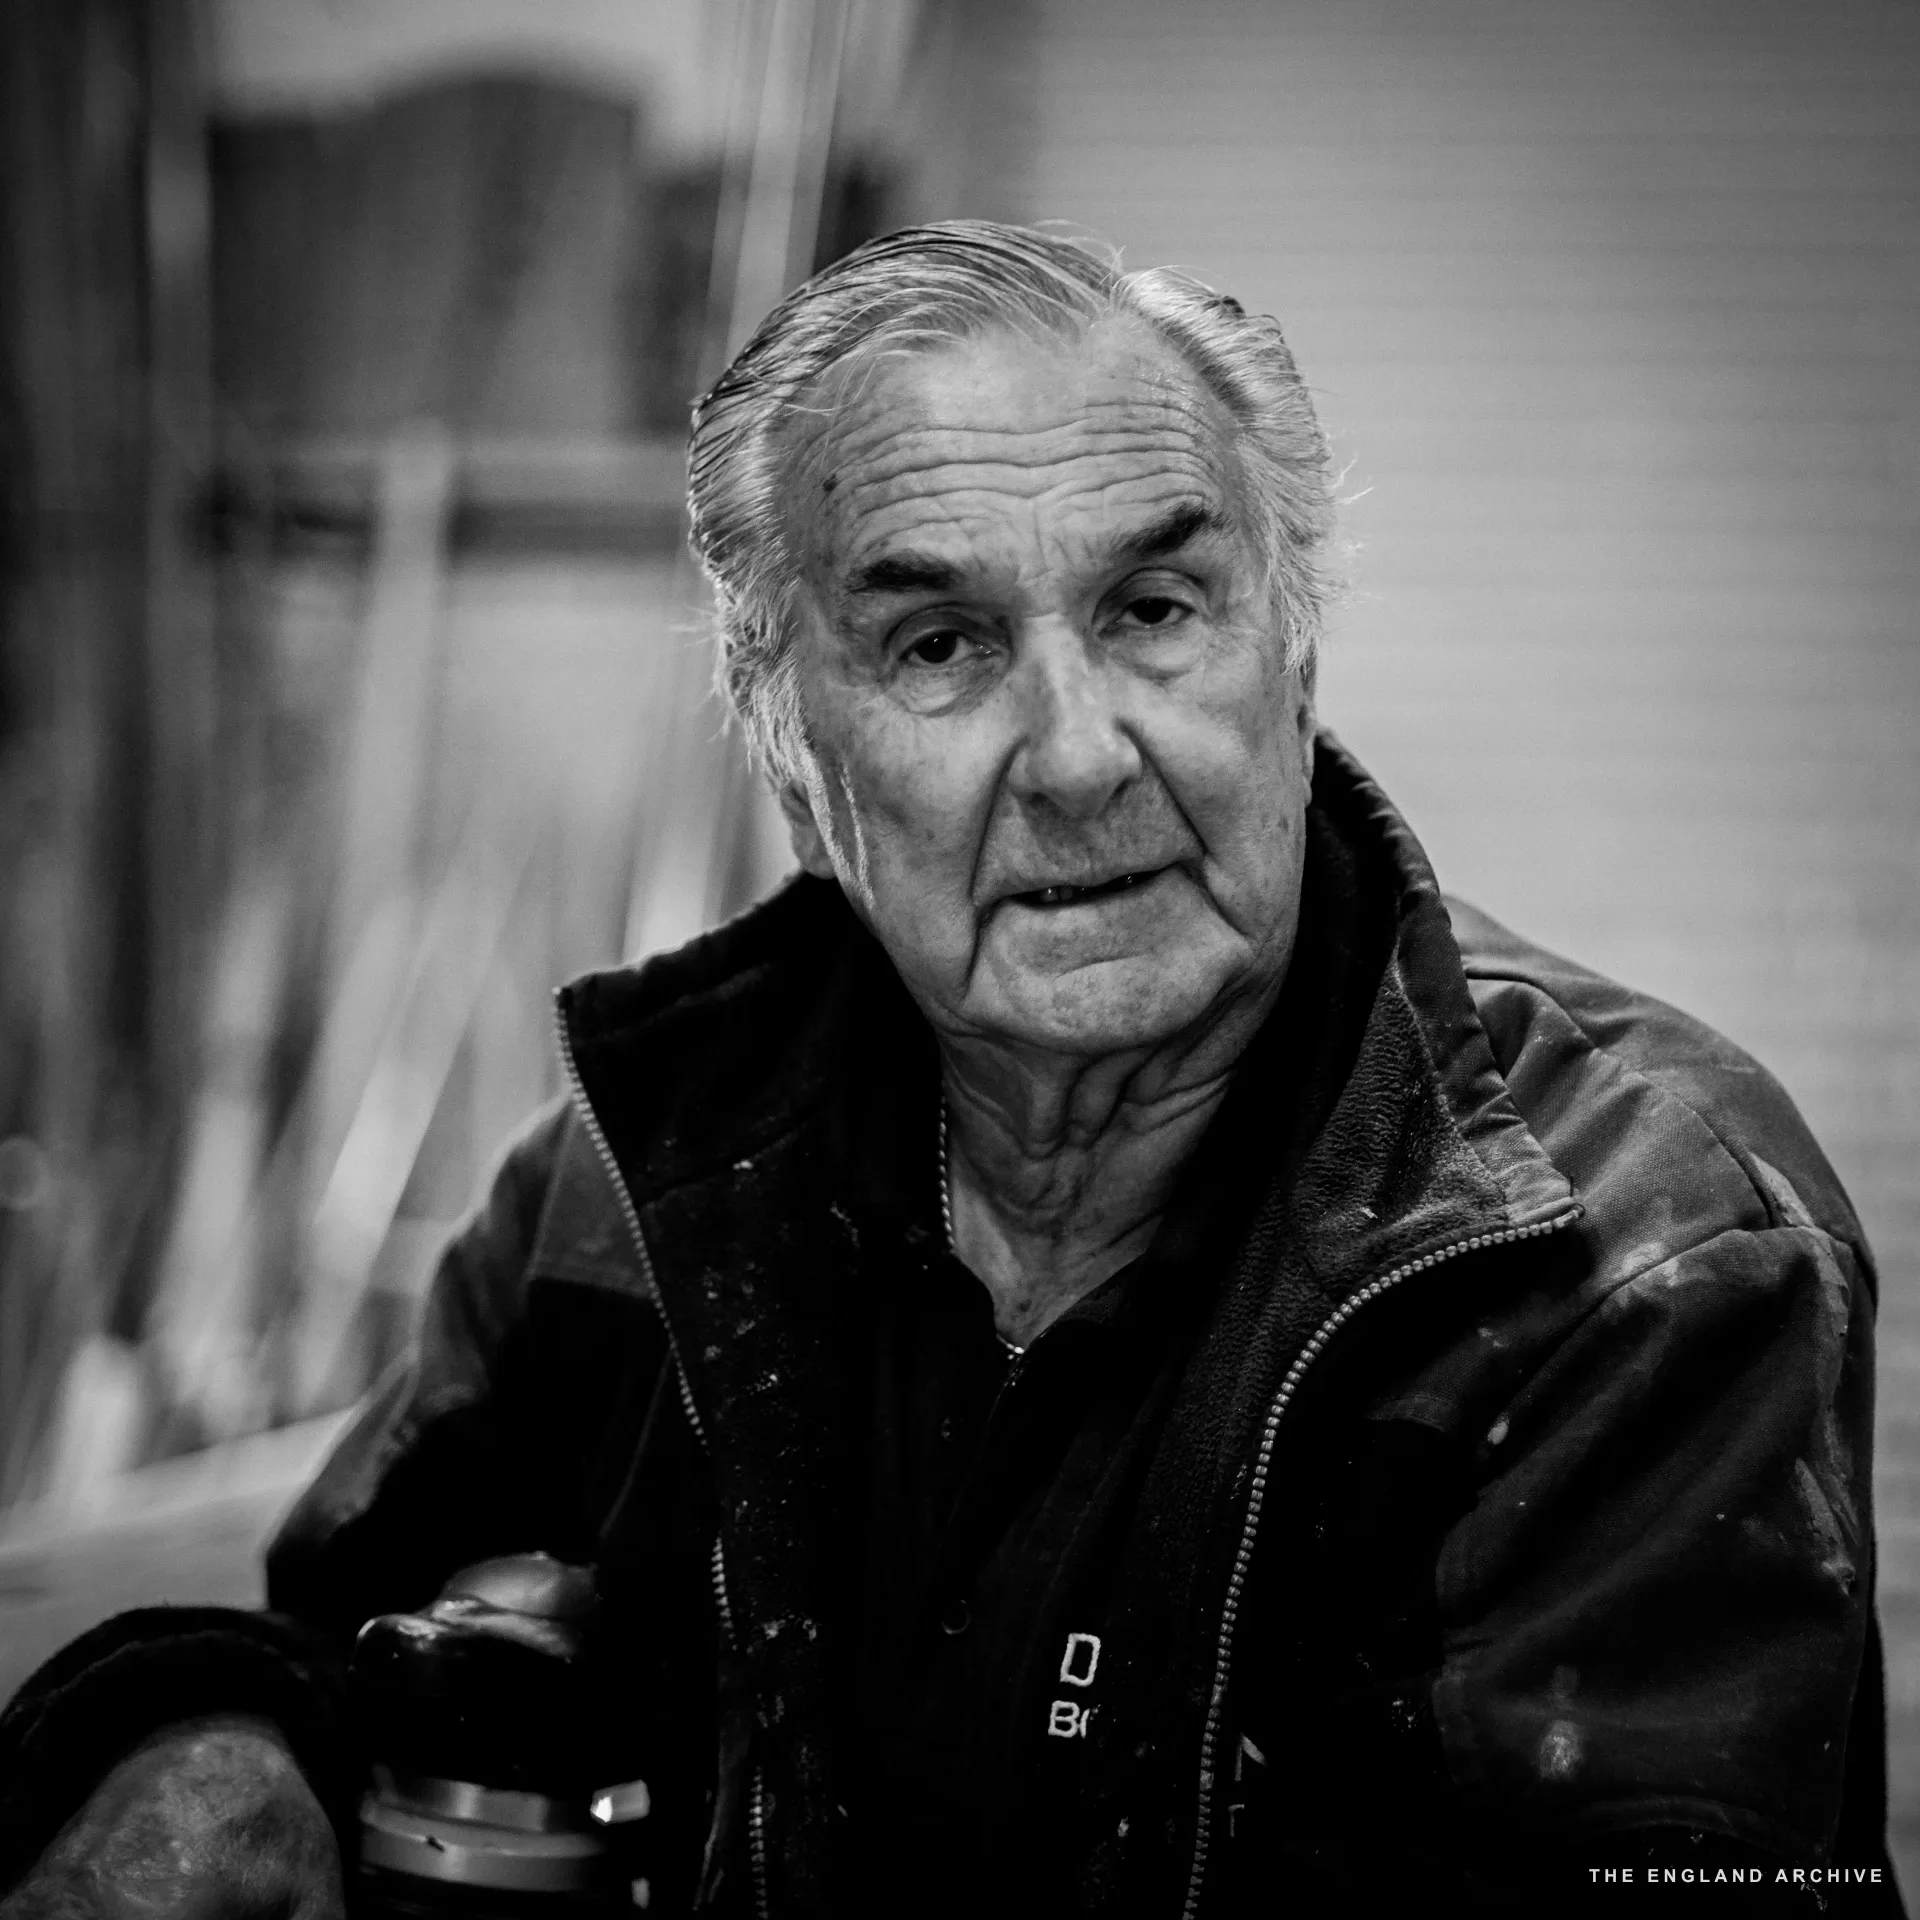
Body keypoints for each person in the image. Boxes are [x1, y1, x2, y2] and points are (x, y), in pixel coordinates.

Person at [0, 222, 1899, 1917]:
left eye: (1156, 609)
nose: (1079, 757)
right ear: (794, 755)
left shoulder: (1633, 1245)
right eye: (938, 643)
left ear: (1294, 655)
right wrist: (205, 1739)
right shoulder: (631, 1196)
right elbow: (345, 1648)